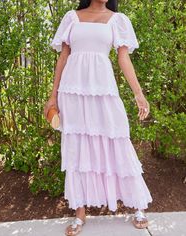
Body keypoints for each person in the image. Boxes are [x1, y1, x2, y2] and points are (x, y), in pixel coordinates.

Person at [44, 0, 153, 235]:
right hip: (72, 92)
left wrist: (139, 94)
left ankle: (138, 206)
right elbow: (63, 58)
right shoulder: (71, 17)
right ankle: (80, 215)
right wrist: (53, 97)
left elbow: (124, 58)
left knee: (118, 141)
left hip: (104, 90)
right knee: (77, 148)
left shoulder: (117, 20)